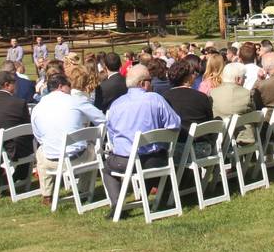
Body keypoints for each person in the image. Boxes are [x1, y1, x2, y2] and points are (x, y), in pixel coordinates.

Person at [102, 65, 181, 217]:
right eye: (150, 80)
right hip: (153, 160)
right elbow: (175, 124)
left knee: (107, 170)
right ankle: (156, 195)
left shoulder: (116, 104)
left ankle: (117, 204)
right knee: (153, 161)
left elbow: (111, 134)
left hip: (123, 161)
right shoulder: (156, 99)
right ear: (142, 83)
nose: (151, 83)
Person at [31, 73, 106, 205]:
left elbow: (38, 137)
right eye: (69, 86)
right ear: (61, 86)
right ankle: (83, 190)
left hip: (51, 160)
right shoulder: (76, 101)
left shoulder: (37, 108)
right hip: (77, 159)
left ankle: (47, 194)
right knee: (93, 150)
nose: (71, 89)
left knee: (40, 152)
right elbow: (102, 119)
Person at [162, 60, 214, 146]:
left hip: (174, 147)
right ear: (187, 78)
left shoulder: (164, 97)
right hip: (200, 147)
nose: (195, 75)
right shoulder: (201, 97)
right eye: (193, 73)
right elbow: (209, 121)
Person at [211, 62, 255, 144]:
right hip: (241, 138)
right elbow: (253, 114)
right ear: (238, 79)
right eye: (244, 77)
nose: (245, 79)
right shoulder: (247, 94)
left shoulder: (212, 93)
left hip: (218, 138)